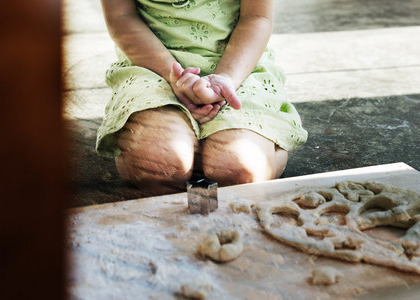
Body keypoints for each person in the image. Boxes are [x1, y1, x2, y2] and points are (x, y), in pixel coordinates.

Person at [96, 0, 308, 194]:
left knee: (238, 172)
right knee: (158, 167)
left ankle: (230, 151)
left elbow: (256, 17)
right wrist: (174, 77)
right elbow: (121, 17)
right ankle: (193, 153)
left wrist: (226, 79)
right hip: (152, 65)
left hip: (239, 65)